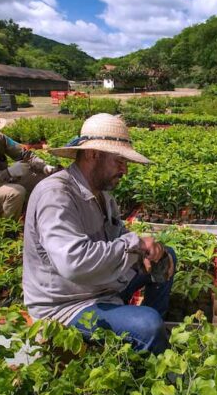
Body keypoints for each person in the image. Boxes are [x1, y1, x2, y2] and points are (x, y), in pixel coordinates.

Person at [22, 113, 175, 354]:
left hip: (101, 286)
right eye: (119, 161)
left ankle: (145, 341)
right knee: (147, 325)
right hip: (67, 305)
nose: (125, 169)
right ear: (93, 154)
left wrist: (146, 252)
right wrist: (135, 245)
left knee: (165, 257)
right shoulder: (56, 195)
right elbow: (74, 264)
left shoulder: (102, 194)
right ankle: (146, 339)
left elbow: (117, 235)